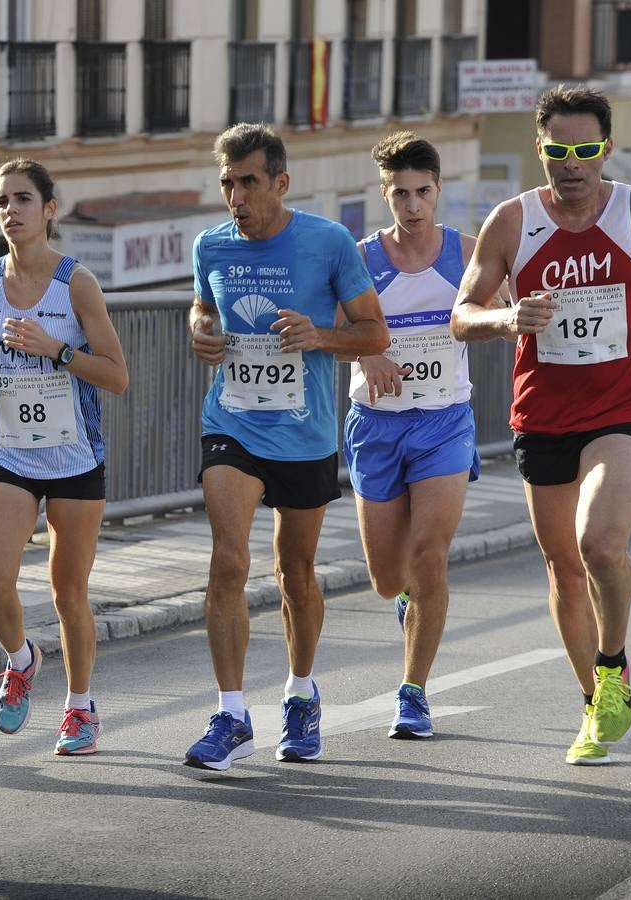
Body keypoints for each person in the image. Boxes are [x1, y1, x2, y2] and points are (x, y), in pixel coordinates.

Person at [452, 85, 631, 766]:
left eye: (586, 150)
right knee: (566, 569)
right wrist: (508, 319)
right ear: (541, 149)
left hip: (626, 406)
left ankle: (612, 663)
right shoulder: (511, 222)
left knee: (599, 545)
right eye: (559, 151)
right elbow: (462, 314)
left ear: (606, 147)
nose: (573, 164)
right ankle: (594, 701)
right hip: (543, 414)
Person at [181, 124, 388, 771]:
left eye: (248, 181)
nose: (236, 196)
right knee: (228, 560)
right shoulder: (209, 246)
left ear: (280, 183)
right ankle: (231, 712)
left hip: (304, 432)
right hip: (233, 421)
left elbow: (374, 332)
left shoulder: (327, 243)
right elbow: (200, 309)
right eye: (227, 183)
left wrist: (320, 335)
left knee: (294, 572)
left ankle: (300, 694)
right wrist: (201, 332)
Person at [0, 158, 128, 755]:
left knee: (67, 594)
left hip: (75, 457)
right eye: (3, 200)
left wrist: (57, 352)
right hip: (9, 452)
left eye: (23, 199)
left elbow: (116, 375)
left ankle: (80, 708)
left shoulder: (75, 283)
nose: (11, 211)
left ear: (49, 209)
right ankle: (20, 658)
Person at [342, 132, 491, 740]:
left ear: (437, 190)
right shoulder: (357, 258)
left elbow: (490, 313)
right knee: (386, 578)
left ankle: (413, 693)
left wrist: (502, 321)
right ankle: (409, 602)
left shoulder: (467, 251)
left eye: (421, 192)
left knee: (430, 557)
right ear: (384, 194)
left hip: (444, 420)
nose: (411, 205)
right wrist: (368, 355)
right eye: (399, 193)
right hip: (375, 425)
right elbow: (325, 335)